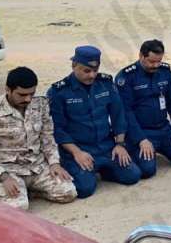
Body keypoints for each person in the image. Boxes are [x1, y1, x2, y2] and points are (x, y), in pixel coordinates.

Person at [0, 67, 77, 210]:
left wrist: (54, 163)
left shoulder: (40, 104)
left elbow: (47, 137)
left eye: (31, 94)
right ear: (8, 89)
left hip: (37, 167)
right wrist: (3, 177)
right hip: (9, 170)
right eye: (21, 95)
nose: (27, 99)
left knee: (68, 192)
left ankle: (29, 191)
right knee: (18, 208)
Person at [48, 46, 141, 198]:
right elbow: (57, 129)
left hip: (106, 146)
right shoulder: (59, 92)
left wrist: (120, 144)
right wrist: (76, 152)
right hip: (79, 148)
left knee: (133, 176)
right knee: (85, 189)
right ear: (74, 65)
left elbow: (118, 115)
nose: (92, 75)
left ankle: (103, 169)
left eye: (95, 70)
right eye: (86, 71)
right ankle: (86, 171)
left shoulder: (105, 83)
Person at [115, 40, 171, 179]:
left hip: (164, 129)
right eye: (152, 62)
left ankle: (160, 148)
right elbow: (126, 112)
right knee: (148, 170)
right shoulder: (126, 77)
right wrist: (141, 139)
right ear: (141, 56)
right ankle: (134, 149)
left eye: (159, 61)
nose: (156, 65)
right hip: (142, 131)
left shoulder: (165, 72)